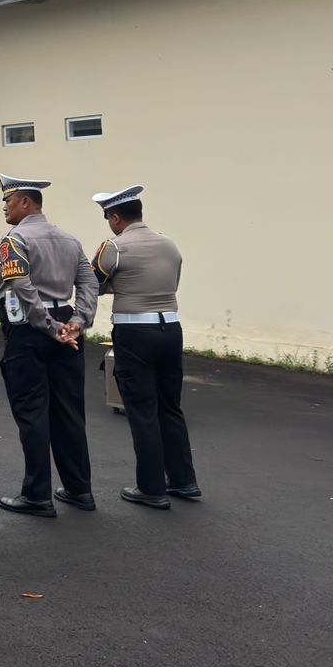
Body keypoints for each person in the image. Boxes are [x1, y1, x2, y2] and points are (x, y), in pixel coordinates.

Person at [0, 173, 99, 517]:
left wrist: (49, 327)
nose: (4, 207)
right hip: (67, 326)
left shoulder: (14, 240)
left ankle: (37, 495)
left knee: (32, 412)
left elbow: (22, 287)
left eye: (8, 201)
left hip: (31, 328)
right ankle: (79, 489)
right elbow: (89, 284)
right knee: (69, 411)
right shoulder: (70, 239)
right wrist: (78, 322)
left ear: (25, 202)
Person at [92, 186, 201, 509]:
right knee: (170, 406)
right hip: (170, 328)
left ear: (115, 218)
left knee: (141, 409)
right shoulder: (169, 244)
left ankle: (150, 488)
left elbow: (93, 284)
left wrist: (117, 284)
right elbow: (171, 281)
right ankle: (183, 481)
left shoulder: (113, 246)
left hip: (134, 332)